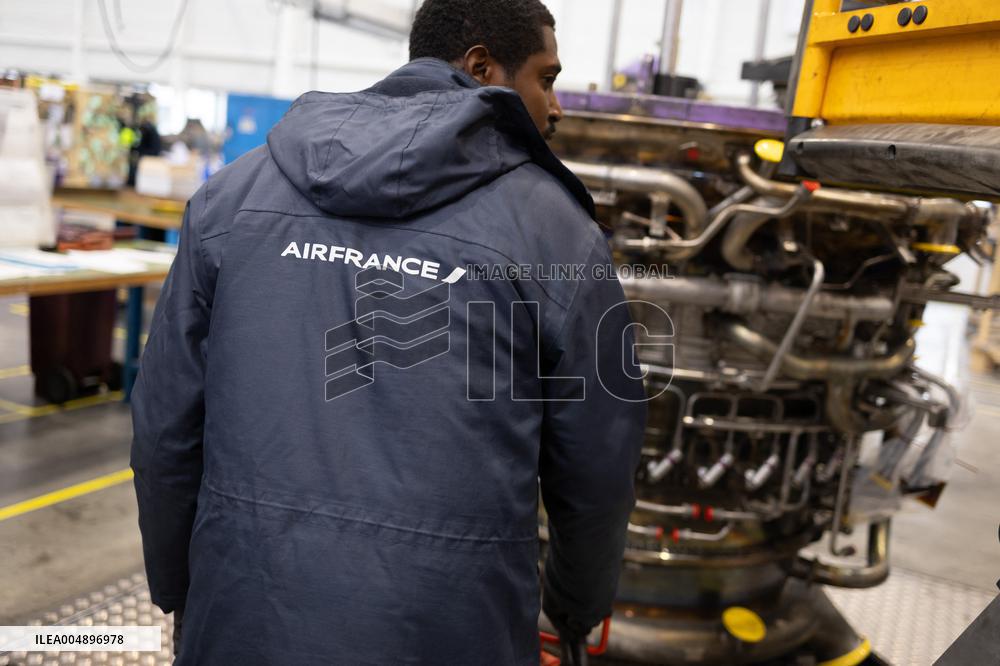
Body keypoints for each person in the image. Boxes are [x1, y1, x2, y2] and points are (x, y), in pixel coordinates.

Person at [130, 0, 646, 663]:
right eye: (546, 79)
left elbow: (164, 424)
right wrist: (573, 611)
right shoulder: (557, 233)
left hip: (243, 614)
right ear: (482, 67)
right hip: (448, 631)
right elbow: (598, 465)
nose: (556, 106)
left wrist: (181, 587)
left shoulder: (233, 196)